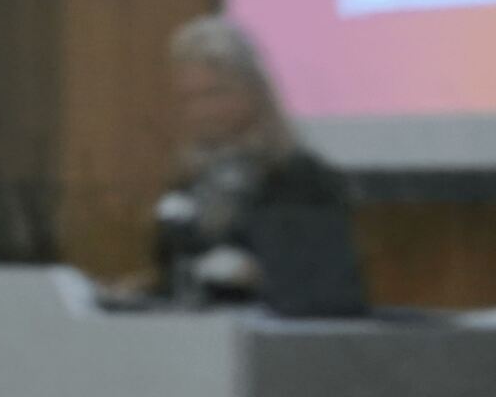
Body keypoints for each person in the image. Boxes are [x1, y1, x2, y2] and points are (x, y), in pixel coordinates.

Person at [153, 16, 363, 316]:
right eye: (188, 98)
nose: (201, 111)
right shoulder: (188, 178)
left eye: (214, 93)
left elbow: (328, 293)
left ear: (252, 91)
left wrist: (255, 276)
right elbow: (173, 277)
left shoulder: (298, 177)